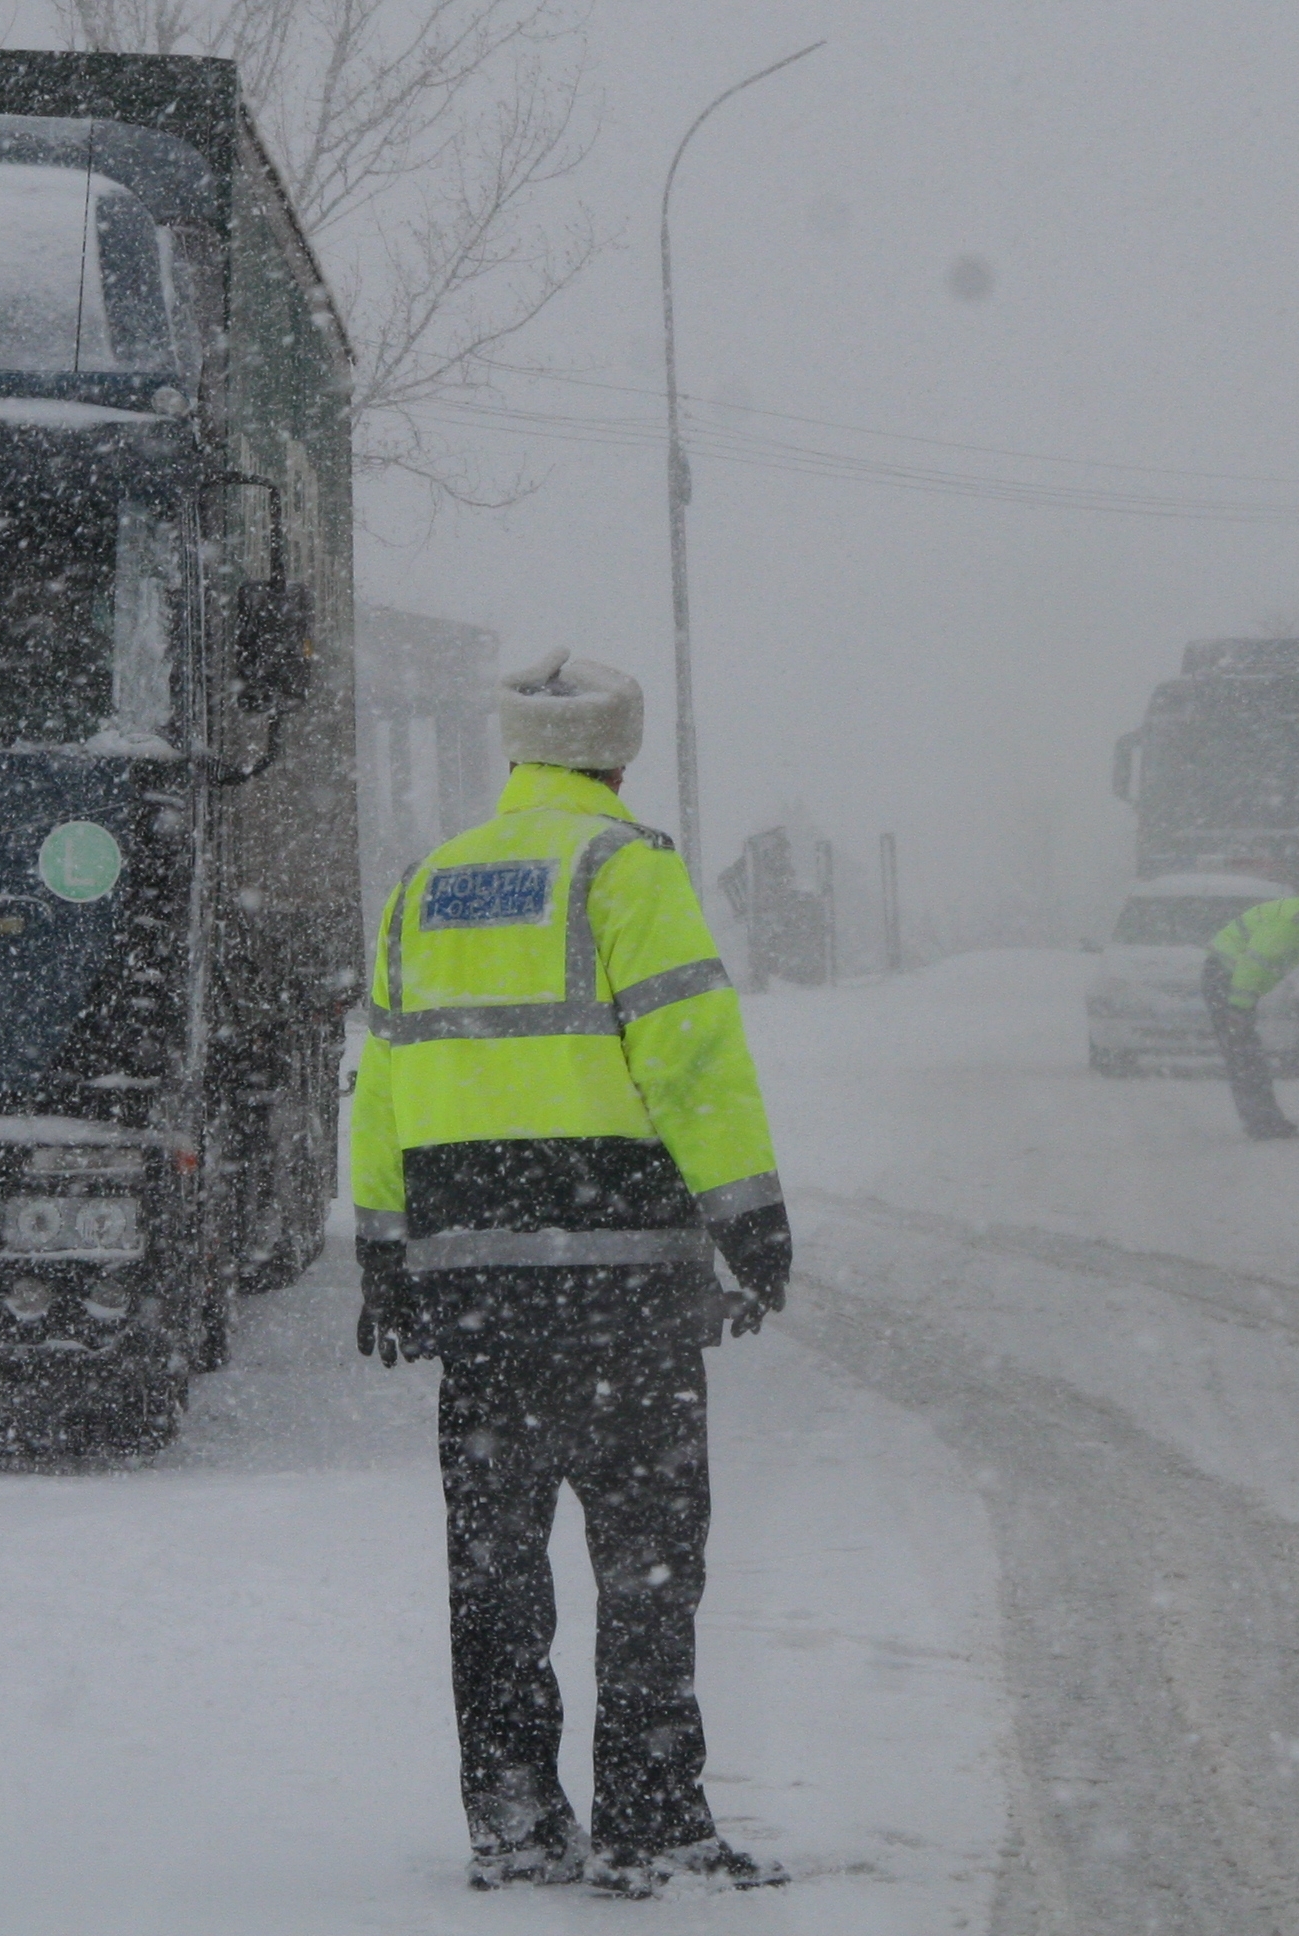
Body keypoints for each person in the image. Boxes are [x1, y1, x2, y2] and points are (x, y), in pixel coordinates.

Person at [349, 647, 794, 1896]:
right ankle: (653, 1818)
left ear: (513, 753)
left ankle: (514, 1818)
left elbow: (383, 1078)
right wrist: (751, 1222)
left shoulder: (429, 884)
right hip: (624, 1284)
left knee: (494, 1562)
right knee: (647, 1556)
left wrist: (386, 1248)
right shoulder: (625, 869)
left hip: (481, 1289)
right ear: (618, 752)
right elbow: (693, 1061)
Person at [1204, 879, 1299, 1138]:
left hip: (1226, 982)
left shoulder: (1298, 915)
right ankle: (1263, 1124)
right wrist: (1239, 1008)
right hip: (1227, 983)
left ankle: (1264, 1122)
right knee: (1246, 1059)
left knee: (1247, 1057)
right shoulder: (1296, 919)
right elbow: (1254, 962)